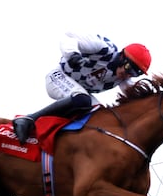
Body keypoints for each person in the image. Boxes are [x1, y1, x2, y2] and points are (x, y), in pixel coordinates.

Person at [12, 32, 151, 144]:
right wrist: (73, 55)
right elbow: (68, 37)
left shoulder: (124, 79)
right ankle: (28, 119)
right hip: (58, 77)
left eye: (134, 73)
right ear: (122, 56)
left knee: (101, 114)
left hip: (76, 92)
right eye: (128, 68)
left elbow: (136, 100)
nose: (127, 74)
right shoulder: (104, 48)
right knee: (82, 99)